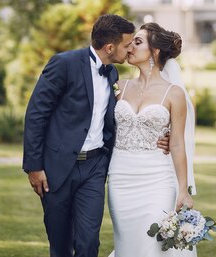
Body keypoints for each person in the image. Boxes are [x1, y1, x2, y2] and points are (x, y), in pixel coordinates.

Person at [23, 14, 169, 257]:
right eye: (127, 44)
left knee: (89, 242)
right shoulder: (63, 64)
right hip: (57, 168)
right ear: (110, 47)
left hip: (94, 168)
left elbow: (131, 116)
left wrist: (165, 135)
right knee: (60, 244)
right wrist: (34, 167)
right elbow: (36, 115)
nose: (130, 48)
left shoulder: (113, 75)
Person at [107, 22, 197, 257]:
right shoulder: (119, 87)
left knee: (152, 245)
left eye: (137, 42)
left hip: (157, 179)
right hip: (120, 178)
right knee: (127, 244)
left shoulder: (173, 93)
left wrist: (183, 190)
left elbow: (177, 143)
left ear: (155, 52)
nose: (129, 48)